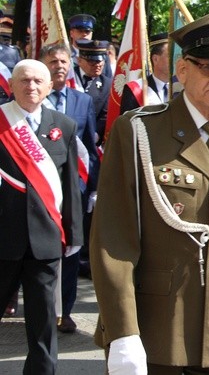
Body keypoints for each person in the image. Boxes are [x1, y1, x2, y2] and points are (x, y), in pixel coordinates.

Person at [90, 10, 209, 374]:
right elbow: (113, 239)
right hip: (159, 328)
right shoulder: (139, 132)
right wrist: (123, 332)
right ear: (183, 69)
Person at [0, 59, 82, 375]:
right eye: (24, 80)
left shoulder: (64, 125)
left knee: (44, 325)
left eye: (38, 81)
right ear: (11, 85)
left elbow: (70, 184)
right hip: (3, 238)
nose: (31, 86)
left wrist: (73, 236)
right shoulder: (2, 121)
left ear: (49, 87)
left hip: (45, 243)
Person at [39, 43, 100, 333]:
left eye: (64, 61)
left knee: (72, 250)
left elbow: (90, 146)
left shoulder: (82, 100)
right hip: (40, 188)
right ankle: (42, 307)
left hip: (74, 188)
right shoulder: (33, 97)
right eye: (53, 61)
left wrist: (93, 188)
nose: (59, 66)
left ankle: (66, 310)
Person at [120, 33, 172, 113]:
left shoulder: (181, 88)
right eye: (170, 56)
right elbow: (126, 123)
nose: (176, 60)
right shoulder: (136, 89)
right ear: (155, 59)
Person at [73, 39, 112, 144]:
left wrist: (94, 135)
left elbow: (105, 114)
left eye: (100, 60)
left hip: (92, 140)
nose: (97, 65)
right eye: (92, 61)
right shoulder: (70, 78)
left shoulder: (107, 84)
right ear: (79, 60)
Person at [68, 14, 113, 79]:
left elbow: (108, 80)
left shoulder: (103, 56)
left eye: (87, 31)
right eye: (80, 31)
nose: (84, 34)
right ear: (71, 33)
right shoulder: (65, 55)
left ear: (91, 34)